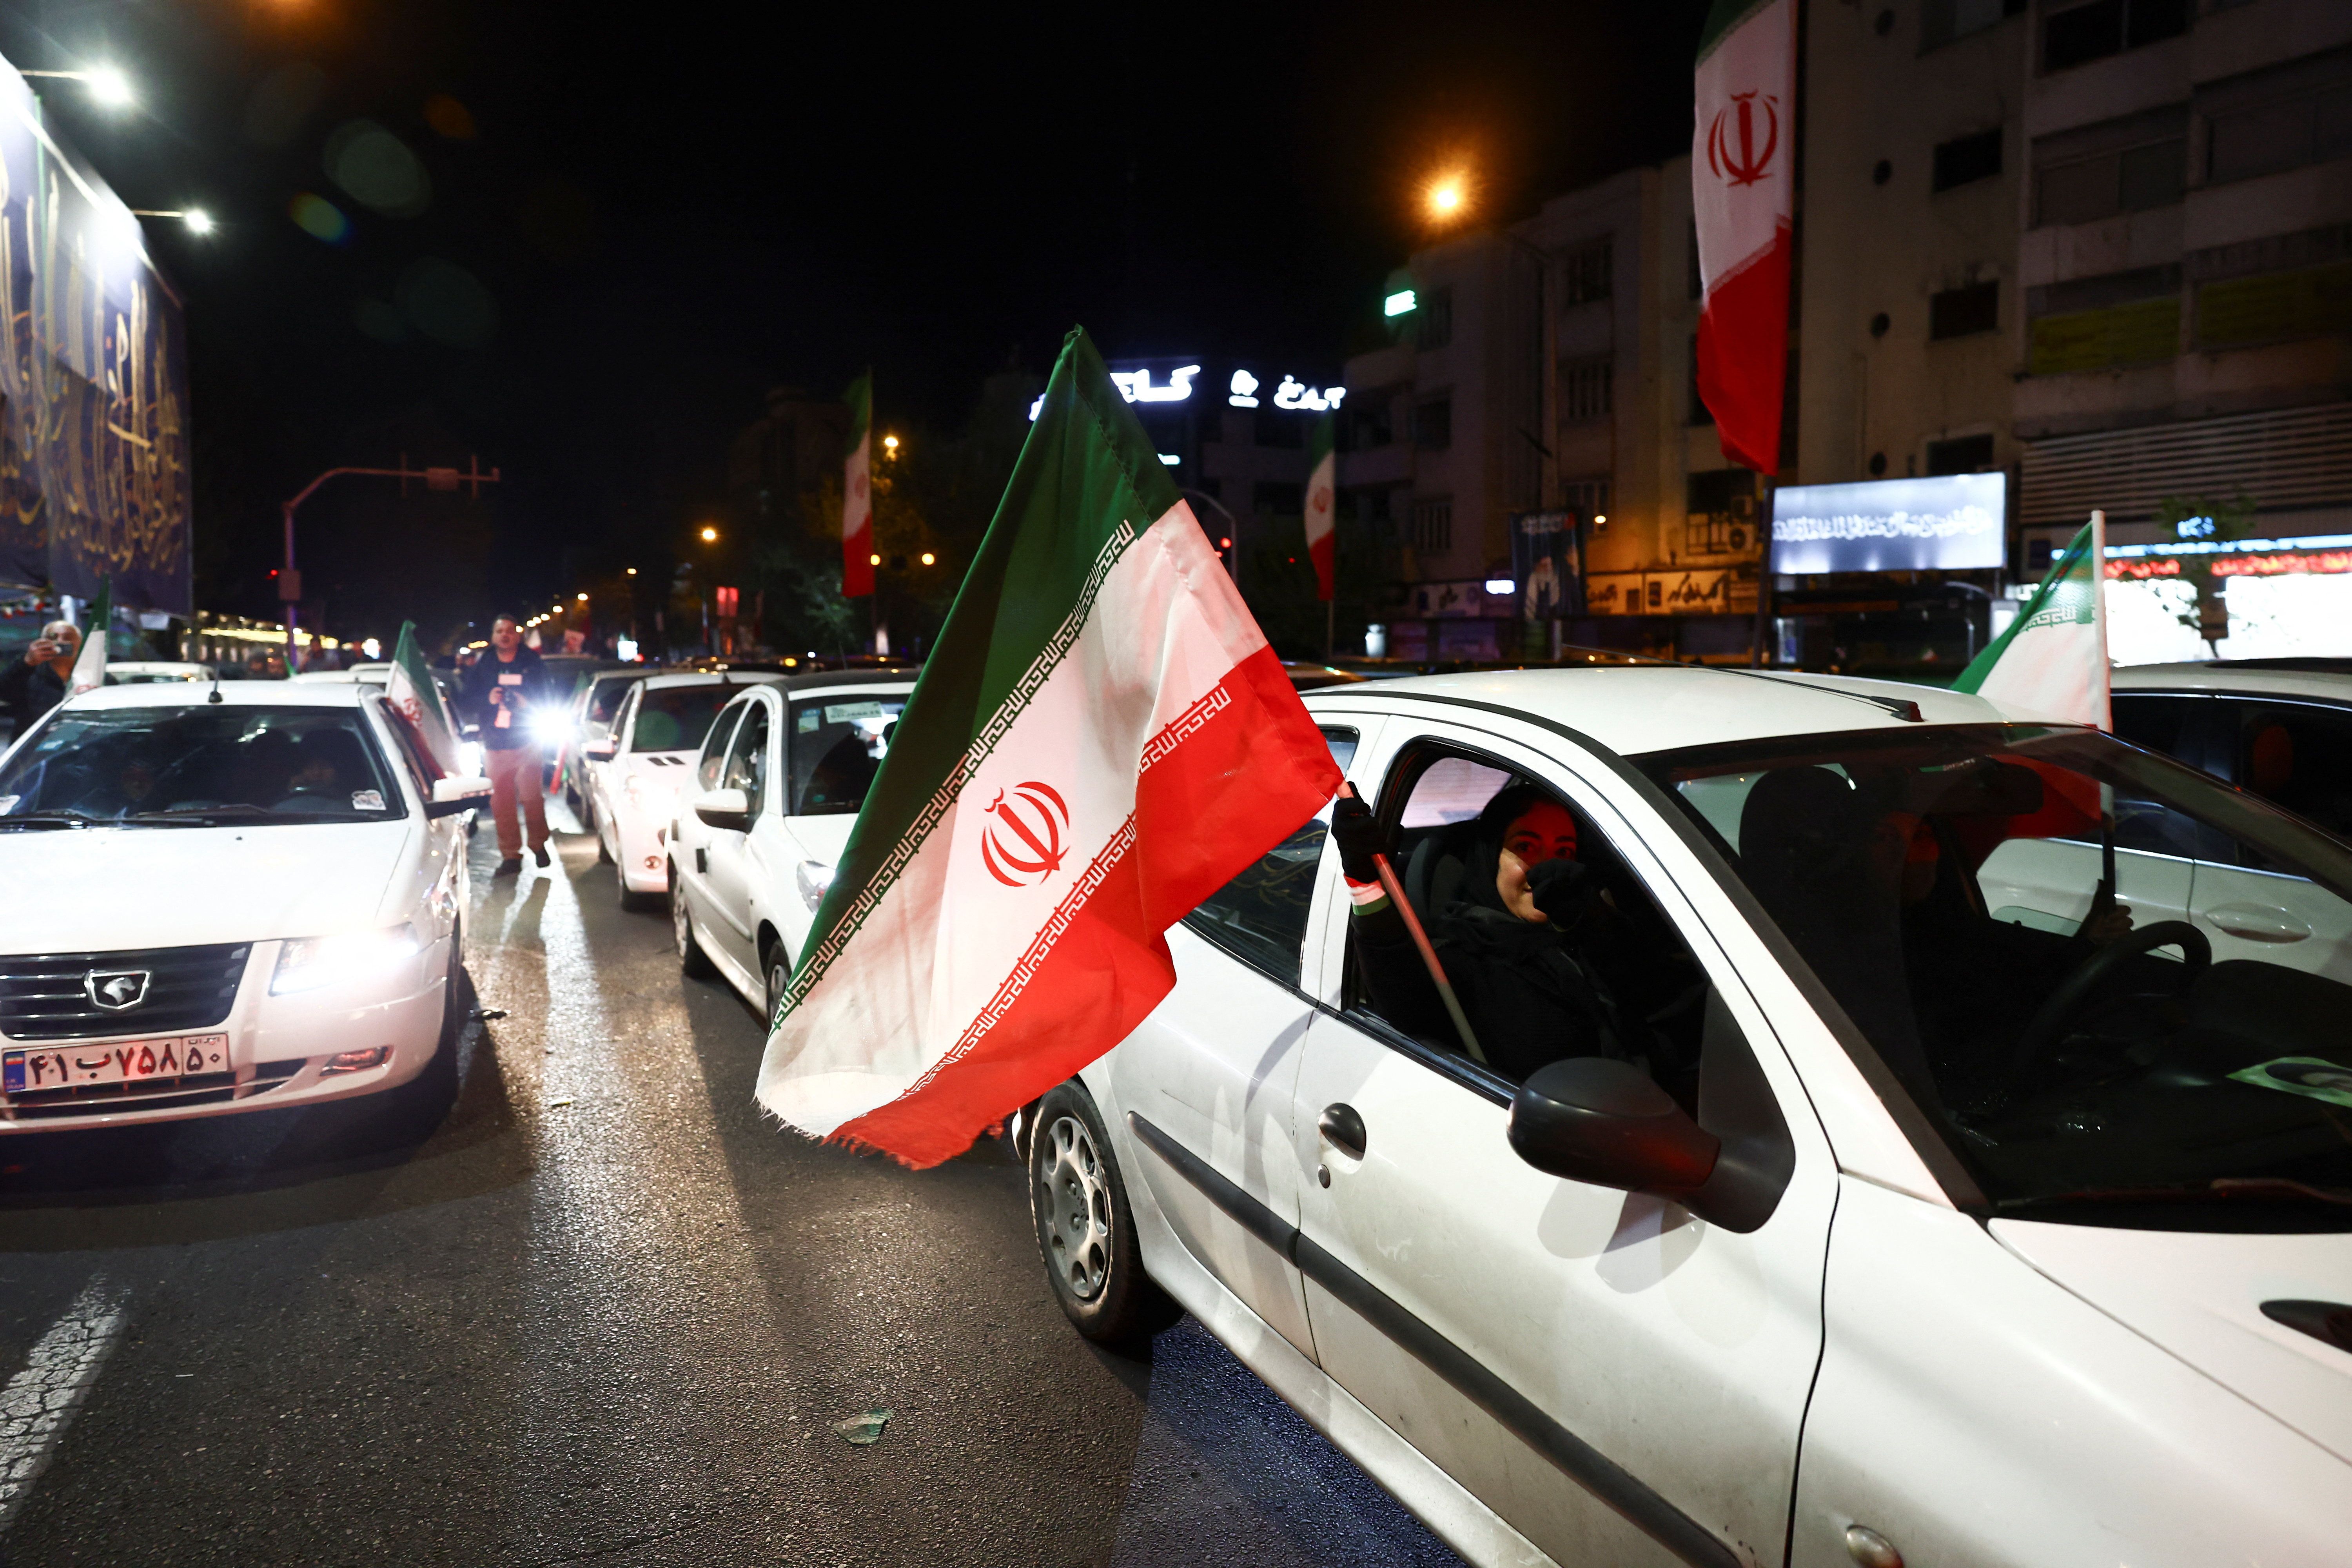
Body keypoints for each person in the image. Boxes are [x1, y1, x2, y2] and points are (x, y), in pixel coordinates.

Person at [1331, 783, 1634, 1083]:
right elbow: (1403, 996)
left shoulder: (1590, 938)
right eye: (1525, 847)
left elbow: (1657, 998)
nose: (1547, 866)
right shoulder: (1462, 959)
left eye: (1563, 851)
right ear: (1491, 858)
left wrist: (1594, 919)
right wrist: (1366, 883)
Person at [457, 615, 559, 875]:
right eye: (500, 631)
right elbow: (466, 701)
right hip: (495, 745)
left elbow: (548, 695)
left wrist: (527, 702)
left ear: (518, 636)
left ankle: (538, 844)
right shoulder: (484, 665)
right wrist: (488, 699)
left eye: (510, 631)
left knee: (531, 798)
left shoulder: (532, 663)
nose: (505, 635)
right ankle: (511, 855)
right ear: (493, 636)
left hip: (527, 742)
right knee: (502, 803)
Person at [0, 621, 80, 737]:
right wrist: (27, 662)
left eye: (68, 637)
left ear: (80, 643)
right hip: (34, 747)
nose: (60, 641)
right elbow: (4, 692)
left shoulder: (90, 675)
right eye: (53, 637)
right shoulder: (29, 674)